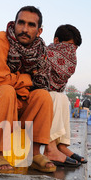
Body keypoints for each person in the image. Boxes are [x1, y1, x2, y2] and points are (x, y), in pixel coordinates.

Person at [0, 6, 55, 174]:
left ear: (39, 30)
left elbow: (41, 82)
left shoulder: (39, 50)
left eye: (31, 25)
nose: (25, 29)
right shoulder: (0, 40)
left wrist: (25, 84)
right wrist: (27, 79)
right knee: (6, 90)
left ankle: (35, 154)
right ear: (14, 24)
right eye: (21, 23)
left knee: (43, 96)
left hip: (16, 101)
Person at [36, 24, 86, 167]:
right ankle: (50, 148)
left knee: (63, 98)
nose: (72, 52)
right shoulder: (42, 53)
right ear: (56, 41)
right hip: (33, 96)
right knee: (55, 96)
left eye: (75, 48)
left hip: (46, 96)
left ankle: (61, 146)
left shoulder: (57, 61)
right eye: (70, 46)